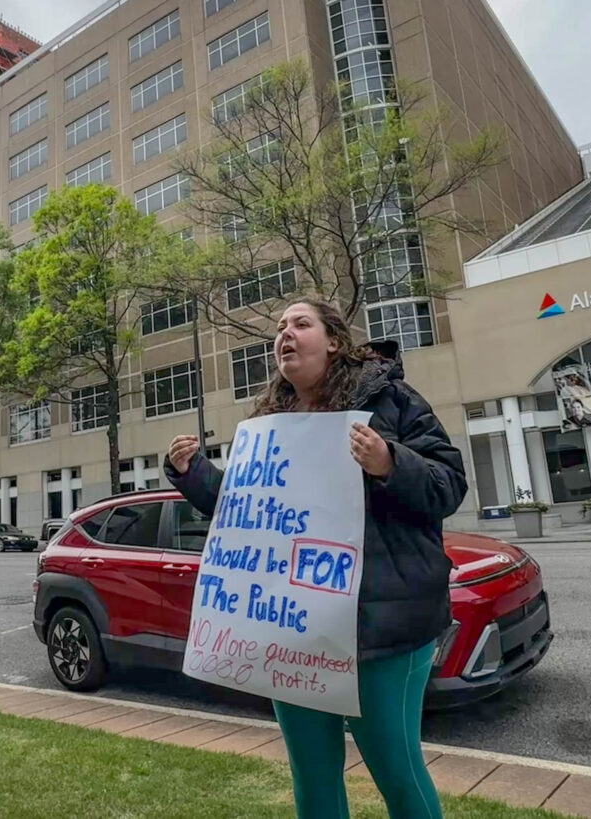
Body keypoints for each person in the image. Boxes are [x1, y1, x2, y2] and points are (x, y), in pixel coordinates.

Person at [165, 299, 466, 819]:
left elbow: (448, 485)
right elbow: (247, 511)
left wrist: (388, 461)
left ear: (333, 340)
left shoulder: (390, 400)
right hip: (293, 629)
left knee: (397, 769)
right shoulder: (269, 424)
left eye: (300, 324)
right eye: (279, 328)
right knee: (312, 769)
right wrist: (193, 473)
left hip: (381, 629)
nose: (285, 334)